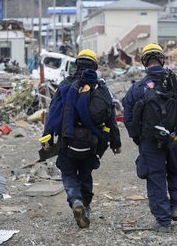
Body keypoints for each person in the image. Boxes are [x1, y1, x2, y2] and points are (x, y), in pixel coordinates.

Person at [122, 43, 177, 233]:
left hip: (150, 140)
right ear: (162, 60)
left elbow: (128, 117)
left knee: (155, 177)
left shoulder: (138, 88)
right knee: (176, 171)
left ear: (144, 62)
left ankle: (163, 222)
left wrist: (138, 138)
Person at [42, 49, 122, 228]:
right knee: (85, 174)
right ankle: (85, 205)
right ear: (95, 66)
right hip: (92, 143)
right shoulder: (101, 88)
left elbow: (53, 114)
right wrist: (115, 143)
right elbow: (111, 119)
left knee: (69, 173)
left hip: (67, 141)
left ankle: (76, 200)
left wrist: (46, 140)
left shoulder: (65, 85)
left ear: (77, 64)